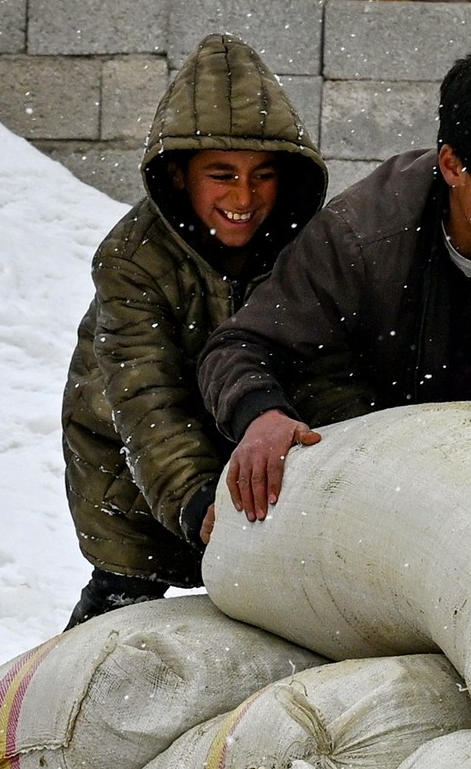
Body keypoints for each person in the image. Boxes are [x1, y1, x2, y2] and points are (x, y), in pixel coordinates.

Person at [201, 47, 471, 525]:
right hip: (382, 487)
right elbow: (239, 346)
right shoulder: (360, 235)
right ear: (453, 165)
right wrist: (262, 416)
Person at [59, 34, 333, 627]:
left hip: (257, 443)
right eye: (222, 175)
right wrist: (199, 501)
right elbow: (145, 396)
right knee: (114, 616)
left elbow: (329, 366)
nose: (244, 197)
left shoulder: (307, 249)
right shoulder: (131, 259)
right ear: (180, 176)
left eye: (263, 175)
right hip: (131, 458)